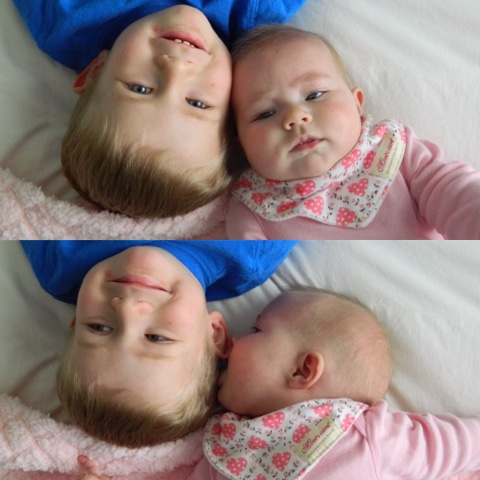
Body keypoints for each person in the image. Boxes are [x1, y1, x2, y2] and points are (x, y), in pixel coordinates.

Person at [80, 289, 480, 479]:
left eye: (256, 330)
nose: (235, 340)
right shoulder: (225, 443)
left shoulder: (367, 435)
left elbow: (463, 444)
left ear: (303, 371)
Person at [12, 2, 306, 219]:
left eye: (139, 88)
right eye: (197, 103)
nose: (176, 68)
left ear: (95, 72)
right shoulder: (255, 14)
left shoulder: (64, 19)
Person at [20, 240, 297, 448]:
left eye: (99, 327)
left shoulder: (58, 263)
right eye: (156, 338)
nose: (128, 308)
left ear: (76, 320)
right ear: (215, 334)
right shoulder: (251, 254)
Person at [226, 24, 480, 239]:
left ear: (357, 103)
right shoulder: (253, 206)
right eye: (265, 114)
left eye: (315, 95)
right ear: (240, 145)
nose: (295, 117)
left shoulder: (390, 151)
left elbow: (455, 194)